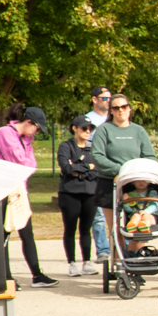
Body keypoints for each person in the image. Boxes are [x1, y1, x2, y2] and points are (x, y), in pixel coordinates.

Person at [0, 104, 57, 291]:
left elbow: (31, 165)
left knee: (27, 232)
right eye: (37, 127)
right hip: (0, 190)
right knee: (4, 234)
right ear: (28, 122)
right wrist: (26, 164)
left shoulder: (27, 139)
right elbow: (17, 160)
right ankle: (6, 277)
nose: (36, 132)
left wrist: (27, 164)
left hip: (18, 190)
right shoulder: (5, 132)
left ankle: (37, 274)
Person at [55, 116, 103, 278]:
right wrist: (86, 167)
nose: (88, 132)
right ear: (75, 128)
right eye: (84, 128)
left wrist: (79, 171)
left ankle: (87, 262)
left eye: (90, 129)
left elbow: (97, 169)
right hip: (70, 193)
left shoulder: (93, 148)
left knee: (86, 229)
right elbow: (66, 168)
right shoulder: (65, 146)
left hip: (90, 193)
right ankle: (72, 263)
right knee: (70, 228)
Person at [91, 92, 155, 190]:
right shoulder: (103, 129)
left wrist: (139, 171)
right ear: (111, 111)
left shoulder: (139, 130)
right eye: (116, 108)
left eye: (124, 107)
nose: (120, 110)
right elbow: (97, 156)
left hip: (135, 182)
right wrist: (121, 169)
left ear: (129, 108)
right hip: (109, 181)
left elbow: (150, 157)